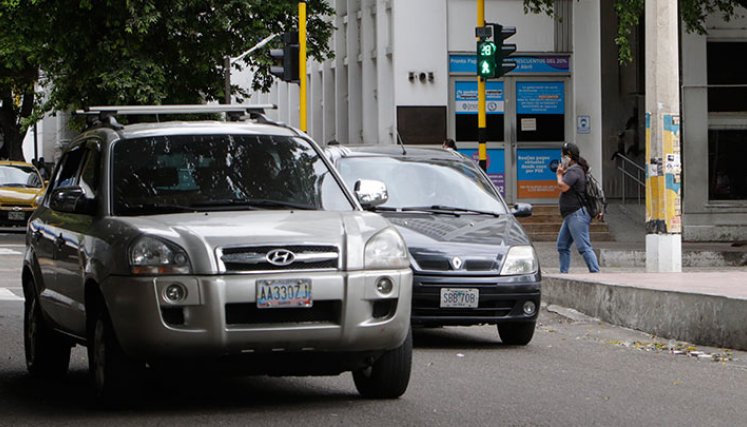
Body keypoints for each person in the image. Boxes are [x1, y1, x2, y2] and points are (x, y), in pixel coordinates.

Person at [555, 142, 599, 273]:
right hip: (570, 215)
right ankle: (563, 273)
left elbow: (563, 186)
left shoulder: (575, 170)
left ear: (568, 156)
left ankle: (595, 272)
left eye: (563, 156)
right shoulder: (575, 169)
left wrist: (558, 175)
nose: (561, 158)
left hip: (577, 214)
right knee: (562, 246)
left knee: (584, 247)